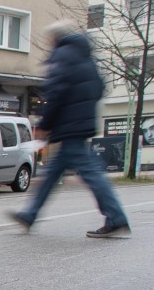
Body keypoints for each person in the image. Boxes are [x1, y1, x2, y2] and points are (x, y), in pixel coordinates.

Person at [10, 21, 130, 238]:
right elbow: (100, 88)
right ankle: (30, 214)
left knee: (91, 173)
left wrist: (45, 125)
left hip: (70, 125)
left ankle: (115, 217)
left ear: (54, 38)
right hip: (81, 123)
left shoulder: (62, 55)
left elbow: (56, 92)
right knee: (52, 173)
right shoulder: (85, 57)